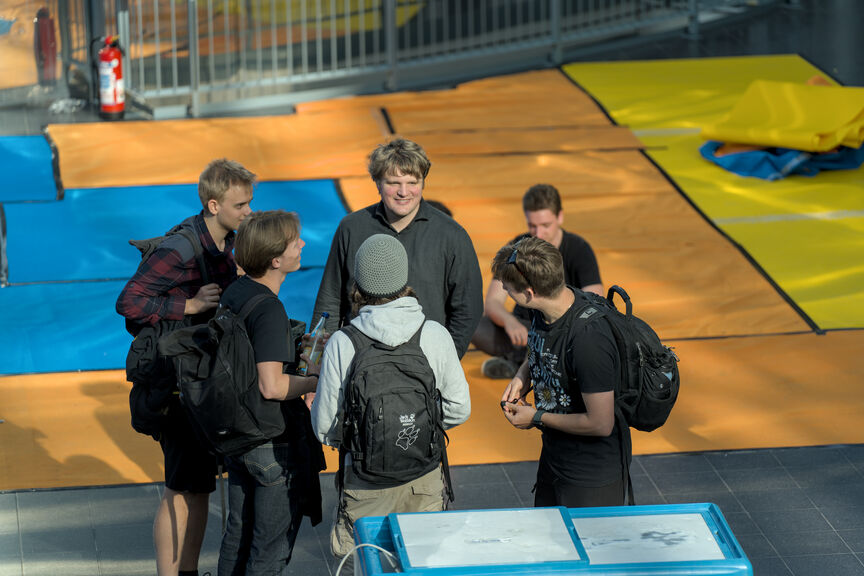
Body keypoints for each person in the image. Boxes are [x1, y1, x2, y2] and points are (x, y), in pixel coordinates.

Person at [116, 158, 255, 576]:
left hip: (199, 379)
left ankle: (188, 571)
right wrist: (189, 305)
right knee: (180, 488)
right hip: (174, 386)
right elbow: (128, 301)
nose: (248, 211)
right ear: (214, 206)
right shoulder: (181, 248)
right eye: (240, 205)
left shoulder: (224, 243)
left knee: (198, 486)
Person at [311, 234, 471, 570]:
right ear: (403, 278)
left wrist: (364, 439)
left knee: (366, 565)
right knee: (423, 565)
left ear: (358, 282)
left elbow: (325, 427)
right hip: (423, 478)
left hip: (364, 481)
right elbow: (460, 408)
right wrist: (421, 428)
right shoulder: (433, 333)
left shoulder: (343, 341)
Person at [216, 210, 325, 576]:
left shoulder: (236, 292)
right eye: (295, 242)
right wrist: (314, 380)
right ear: (276, 260)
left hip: (238, 436)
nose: (302, 244)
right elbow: (273, 386)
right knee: (269, 552)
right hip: (271, 443)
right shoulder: (270, 309)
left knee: (237, 536)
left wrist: (293, 349)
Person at [310, 137, 482, 358]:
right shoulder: (351, 228)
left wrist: (444, 360)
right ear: (377, 183)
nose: (404, 192)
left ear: (423, 182)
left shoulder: (452, 235)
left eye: (412, 182)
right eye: (393, 183)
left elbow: (468, 308)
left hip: (426, 366)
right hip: (357, 363)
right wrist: (317, 362)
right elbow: (330, 300)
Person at [496, 236, 628, 508]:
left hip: (589, 477)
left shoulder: (588, 341)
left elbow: (601, 423)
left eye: (508, 289)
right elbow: (540, 343)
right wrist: (523, 375)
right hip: (555, 458)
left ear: (529, 293)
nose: (506, 292)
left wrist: (537, 417)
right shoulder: (544, 307)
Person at [473, 183, 603, 379]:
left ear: (560, 217)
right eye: (532, 226)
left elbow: (595, 301)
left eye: (545, 225)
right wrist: (509, 322)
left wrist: (562, 326)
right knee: (474, 325)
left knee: (581, 335)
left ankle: (521, 362)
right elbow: (493, 301)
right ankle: (540, 363)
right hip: (525, 329)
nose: (539, 234)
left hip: (562, 327)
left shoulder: (579, 249)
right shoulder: (518, 247)